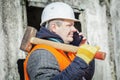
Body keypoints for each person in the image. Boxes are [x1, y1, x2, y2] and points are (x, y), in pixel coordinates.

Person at [24, 2, 99, 80]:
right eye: (69, 25)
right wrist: (81, 61)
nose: (74, 29)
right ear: (54, 28)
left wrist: (85, 55)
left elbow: (85, 77)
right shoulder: (42, 53)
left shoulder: (67, 51)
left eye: (73, 25)